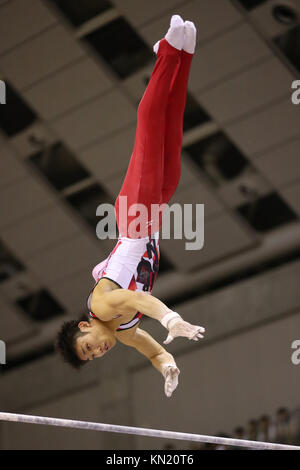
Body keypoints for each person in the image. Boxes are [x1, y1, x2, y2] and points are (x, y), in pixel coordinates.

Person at [56, 15, 205, 398]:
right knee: (171, 130)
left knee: (149, 123)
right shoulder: (123, 332)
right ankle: (185, 53)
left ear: (86, 326)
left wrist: (170, 318)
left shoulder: (103, 305)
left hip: (134, 219)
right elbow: (151, 349)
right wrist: (168, 366)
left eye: (87, 347)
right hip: (153, 215)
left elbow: (139, 299)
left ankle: (167, 53)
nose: (98, 352)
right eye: (92, 358)